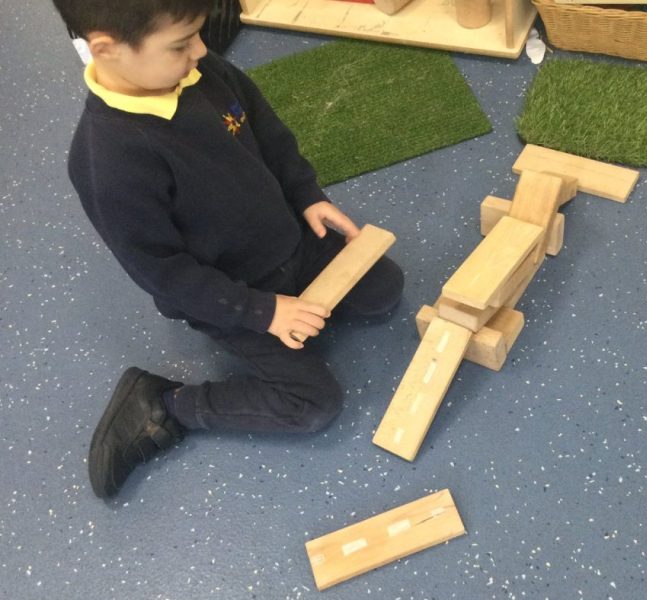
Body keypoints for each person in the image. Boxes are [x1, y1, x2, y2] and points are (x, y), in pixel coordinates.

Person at [52, 0, 404, 499]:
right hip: (234, 294)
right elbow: (165, 275)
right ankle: (168, 406)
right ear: (107, 49)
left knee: (384, 290)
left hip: (291, 242)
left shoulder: (200, 71)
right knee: (312, 405)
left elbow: (268, 131)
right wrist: (262, 312)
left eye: (198, 35)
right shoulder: (107, 162)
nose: (201, 50)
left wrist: (306, 195)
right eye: (181, 44)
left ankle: (300, 313)